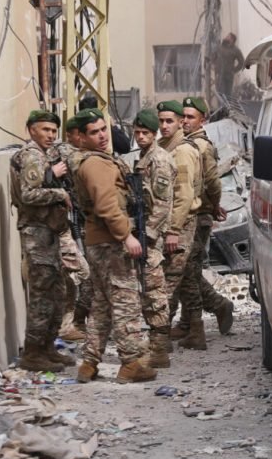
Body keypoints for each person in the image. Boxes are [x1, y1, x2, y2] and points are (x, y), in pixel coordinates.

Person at [72, 108, 156, 383]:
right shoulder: (95, 164)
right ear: (82, 137)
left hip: (100, 241)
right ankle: (131, 363)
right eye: (94, 132)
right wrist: (126, 236)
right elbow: (106, 205)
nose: (102, 136)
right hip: (110, 242)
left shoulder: (96, 160)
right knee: (125, 301)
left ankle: (89, 362)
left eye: (103, 129)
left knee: (101, 304)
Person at [9, 110, 75, 372]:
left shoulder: (45, 155)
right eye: (45, 129)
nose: (50, 135)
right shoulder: (31, 156)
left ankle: (47, 347)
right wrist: (59, 193)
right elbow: (29, 195)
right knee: (41, 294)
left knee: (57, 292)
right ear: (31, 129)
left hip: (48, 231)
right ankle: (33, 353)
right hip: (36, 233)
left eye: (53, 130)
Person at [176, 96, 235, 348]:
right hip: (192, 214)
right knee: (188, 270)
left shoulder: (202, 146)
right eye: (183, 116)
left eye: (191, 117)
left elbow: (212, 181)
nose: (185, 121)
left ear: (203, 119)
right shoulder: (185, 143)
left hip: (198, 215)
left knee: (186, 271)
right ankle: (187, 322)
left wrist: (213, 206)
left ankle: (218, 305)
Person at [155, 100, 208, 350]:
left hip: (181, 224)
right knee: (186, 279)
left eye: (170, 121)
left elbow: (184, 196)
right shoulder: (164, 147)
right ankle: (196, 331)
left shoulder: (182, 151)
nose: (164, 126)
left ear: (179, 123)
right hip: (170, 224)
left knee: (168, 282)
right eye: (161, 121)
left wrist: (174, 230)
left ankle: (160, 339)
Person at [131, 109, 176, 367]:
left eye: (145, 133)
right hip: (144, 232)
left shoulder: (158, 160)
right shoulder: (144, 157)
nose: (140, 137)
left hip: (151, 236)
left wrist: (146, 236)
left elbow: (162, 204)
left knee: (155, 291)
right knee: (148, 289)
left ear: (154, 133)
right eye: (137, 133)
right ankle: (156, 345)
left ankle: (159, 348)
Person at [49, 116, 91, 343]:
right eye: (83, 134)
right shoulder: (67, 153)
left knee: (71, 277)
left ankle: (67, 325)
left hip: (65, 225)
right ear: (73, 135)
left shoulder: (63, 154)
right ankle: (65, 325)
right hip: (54, 228)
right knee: (81, 273)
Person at [214, 33, 245, 101]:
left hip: (228, 75)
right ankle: (221, 107)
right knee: (220, 93)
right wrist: (215, 67)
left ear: (232, 40)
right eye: (227, 36)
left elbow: (242, 62)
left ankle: (227, 107)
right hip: (219, 74)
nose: (225, 37)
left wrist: (234, 70)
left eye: (228, 37)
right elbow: (213, 57)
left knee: (228, 94)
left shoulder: (235, 50)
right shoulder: (220, 47)